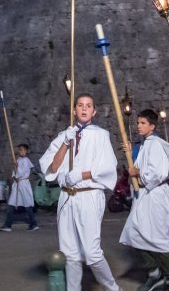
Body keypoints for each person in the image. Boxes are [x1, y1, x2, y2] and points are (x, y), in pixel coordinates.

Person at [38, 93, 120, 291]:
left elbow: (108, 167)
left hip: (89, 195)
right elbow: (51, 166)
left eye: (88, 105)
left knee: (92, 253)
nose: (84, 108)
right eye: (80, 105)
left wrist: (81, 175)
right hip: (66, 197)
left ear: (94, 111)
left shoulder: (101, 135)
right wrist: (66, 143)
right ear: (74, 110)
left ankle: (113, 289)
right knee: (70, 253)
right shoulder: (64, 135)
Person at [120, 109, 169, 291]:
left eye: (143, 123)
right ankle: (155, 274)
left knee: (159, 239)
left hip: (155, 196)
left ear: (152, 126)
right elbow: (138, 168)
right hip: (144, 196)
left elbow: (159, 173)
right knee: (134, 233)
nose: (139, 126)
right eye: (138, 122)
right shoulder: (146, 144)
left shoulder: (155, 145)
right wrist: (130, 154)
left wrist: (137, 172)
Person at [0, 143, 39, 231]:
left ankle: (34, 224)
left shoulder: (27, 161)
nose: (19, 151)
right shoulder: (18, 160)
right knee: (11, 204)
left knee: (27, 203)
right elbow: (15, 172)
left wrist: (16, 166)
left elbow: (22, 172)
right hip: (17, 185)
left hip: (24, 184)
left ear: (26, 151)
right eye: (19, 149)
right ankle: (7, 225)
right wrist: (14, 176)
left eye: (21, 149)